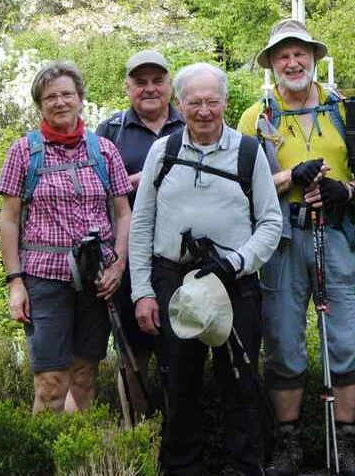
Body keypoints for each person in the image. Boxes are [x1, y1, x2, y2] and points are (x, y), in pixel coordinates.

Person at [127, 62, 283, 476]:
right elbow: (141, 225)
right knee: (179, 383)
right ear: (179, 105)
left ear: (225, 102)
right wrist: (142, 291)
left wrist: (236, 262)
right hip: (173, 279)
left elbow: (270, 223)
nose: (204, 111)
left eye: (212, 101)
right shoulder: (164, 151)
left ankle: (246, 468)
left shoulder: (248, 152)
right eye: (194, 103)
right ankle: (182, 469)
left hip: (235, 281)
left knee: (241, 383)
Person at [237, 19, 355, 476]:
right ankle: (289, 446)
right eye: (282, 56)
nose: (292, 63)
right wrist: (287, 179)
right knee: (282, 340)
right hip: (281, 237)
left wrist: (346, 192)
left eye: (300, 54)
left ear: (314, 58)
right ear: (272, 63)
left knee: (346, 336)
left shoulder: (343, 110)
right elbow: (245, 187)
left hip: (333, 232)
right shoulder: (256, 118)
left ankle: (347, 444)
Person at [0, 61, 133, 413]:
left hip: (97, 278)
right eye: (50, 96)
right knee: (50, 383)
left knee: (85, 375)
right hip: (43, 278)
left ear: (80, 98)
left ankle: (76, 455)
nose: (60, 102)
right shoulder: (23, 152)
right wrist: (15, 282)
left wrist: (118, 265)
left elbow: (123, 213)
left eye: (67, 94)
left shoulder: (104, 150)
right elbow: (9, 220)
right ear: (39, 104)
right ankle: (47, 457)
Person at [97, 49, 185, 373]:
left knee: (183, 349)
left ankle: (178, 421)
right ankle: (139, 422)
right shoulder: (110, 131)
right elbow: (95, 194)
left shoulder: (192, 124)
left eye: (158, 80)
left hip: (183, 259)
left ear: (171, 85)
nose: (150, 88)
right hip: (130, 258)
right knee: (133, 356)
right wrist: (136, 182)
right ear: (127, 87)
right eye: (140, 82)